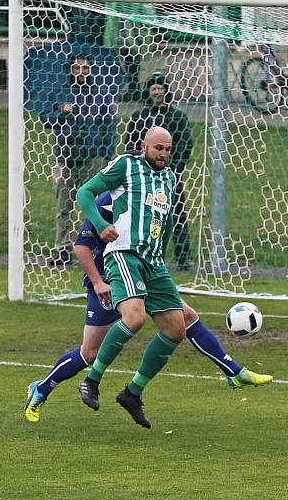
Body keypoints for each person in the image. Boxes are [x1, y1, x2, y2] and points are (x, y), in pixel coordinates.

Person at [24, 191, 272, 423]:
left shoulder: (153, 199)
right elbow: (81, 246)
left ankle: (233, 371)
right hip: (108, 283)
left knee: (185, 317)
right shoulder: (108, 202)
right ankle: (41, 388)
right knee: (89, 353)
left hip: (140, 276)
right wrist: (98, 282)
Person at [72, 127, 188, 428]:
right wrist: (99, 224)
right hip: (124, 253)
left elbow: (165, 222)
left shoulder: (170, 178)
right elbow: (84, 192)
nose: (163, 154)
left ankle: (132, 392)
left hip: (153, 261)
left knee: (177, 328)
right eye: (158, 148)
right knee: (134, 318)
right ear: (144, 146)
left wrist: (163, 254)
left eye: (167, 149)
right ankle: (92, 380)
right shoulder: (127, 165)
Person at [35, 53, 118, 266]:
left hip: (92, 159)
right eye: (77, 68)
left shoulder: (101, 94)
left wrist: (106, 156)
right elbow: (46, 120)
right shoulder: (61, 93)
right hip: (66, 157)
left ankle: (93, 248)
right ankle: (62, 249)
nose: (81, 71)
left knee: (94, 206)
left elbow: (109, 126)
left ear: (90, 70)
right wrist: (62, 114)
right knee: (63, 205)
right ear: (71, 70)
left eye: (85, 68)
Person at [125, 73, 193, 270]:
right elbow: (130, 143)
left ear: (166, 91)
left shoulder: (177, 116)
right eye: (153, 88)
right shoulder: (139, 117)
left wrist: (172, 168)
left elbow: (185, 144)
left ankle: (182, 257)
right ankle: (142, 253)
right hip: (144, 178)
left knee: (177, 214)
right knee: (144, 215)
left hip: (169, 176)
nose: (156, 92)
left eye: (160, 88)